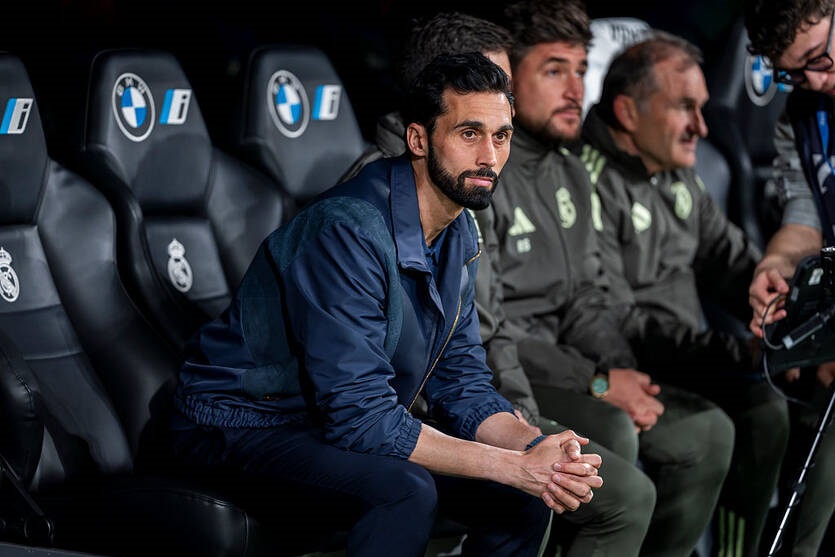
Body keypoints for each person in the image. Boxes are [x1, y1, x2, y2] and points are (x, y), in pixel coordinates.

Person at [169, 52, 603, 557]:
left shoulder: (460, 228)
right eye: (469, 134)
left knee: (522, 498)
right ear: (418, 139)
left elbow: (461, 383)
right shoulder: (347, 230)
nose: (489, 156)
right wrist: (512, 466)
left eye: (501, 136)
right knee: (405, 491)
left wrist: (534, 448)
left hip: (321, 422)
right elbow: (362, 418)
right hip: (236, 424)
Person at [341, 11, 657, 556]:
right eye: (486, 93)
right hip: (358, 427)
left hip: (447, 408)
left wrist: (528, 434)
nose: (502, 114)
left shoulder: (462, 206)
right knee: (574, 492)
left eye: (503, 104)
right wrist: (514, 456)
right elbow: (364, 403)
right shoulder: (363, 213)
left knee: (572, 475)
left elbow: (463, 364)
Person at [486, 1, 737, 556]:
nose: (575, 89)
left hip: (571, 368)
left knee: (707, 431)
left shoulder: (571, 171)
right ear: (506, 77)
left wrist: (623, 371)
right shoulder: (484, 173)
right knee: (616, 443)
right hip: (513, 377)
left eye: (580, 70)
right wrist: (597, 382)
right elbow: (489, 331)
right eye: (554, 70)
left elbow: (586, 301)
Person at [579, 31, 791, 557]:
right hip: (630, 366)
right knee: (753, 411)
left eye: (702, 107)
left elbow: (733, 262)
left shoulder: (680, 175)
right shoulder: (586, 182)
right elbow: (619, 326)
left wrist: (788, 318)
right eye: (684, 108)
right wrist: (735, 354)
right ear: (628, 112)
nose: (702, 126)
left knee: (807, 391)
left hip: (688, 357)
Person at [741, 1, 835, 555]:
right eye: (795, 73)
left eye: (820, 59)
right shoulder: (801, 114)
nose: (815, 81)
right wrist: (776, 264)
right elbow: (805, 214)